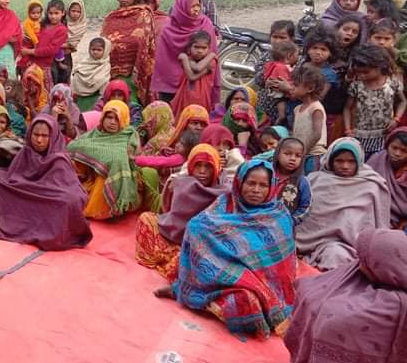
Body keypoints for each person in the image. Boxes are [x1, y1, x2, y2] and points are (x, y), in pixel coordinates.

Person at [164, 159, 295, 338]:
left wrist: (251, 281)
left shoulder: (279, 215)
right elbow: (198, 225)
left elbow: (282, 269)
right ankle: (190, 292)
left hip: (258, 280)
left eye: (263, 185)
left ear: (271, 187)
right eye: (251, 183)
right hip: (219, 273)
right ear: (240, 182)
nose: (256, 190)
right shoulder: (226, 202)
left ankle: (204, 301)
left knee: (247, 303)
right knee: (194, 228)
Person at [285, 227, 407, 363]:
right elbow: (313, 288)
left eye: (365, 260)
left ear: (383, 267)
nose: (359, 263)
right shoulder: (357, 272)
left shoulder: (394, 308)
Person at [0, 114, 92, 250]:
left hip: (46, 197)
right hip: (24, 190)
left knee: (68, 202)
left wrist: (38, 192)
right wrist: (25, 188)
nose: (39, 140)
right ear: (30, 134)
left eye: (45, 136)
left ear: (53, 136)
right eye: (36, 135)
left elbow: (69, 189)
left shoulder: (59, 159)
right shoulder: (26, 151)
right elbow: (14, 176)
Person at [135, 144, 226, 281]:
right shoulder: (181, 184)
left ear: (216, 168)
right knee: (146, 219)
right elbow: (169, 212)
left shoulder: (224, 193)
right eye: (198, 165)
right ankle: (168, 256)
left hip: (198, 246)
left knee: (187, 263)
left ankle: (170, 258)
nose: (202, 171)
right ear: (191, 166)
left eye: (208, 166)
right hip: (172, 236)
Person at [296, 138, 389, 270]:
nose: (345, 166)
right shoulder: (314, 180)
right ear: (330, 161)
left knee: (335, 256)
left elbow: (376, 222)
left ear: (359, 161)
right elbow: (305, 217)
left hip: (351, 246)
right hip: (311, 242)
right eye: (339, 161)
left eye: (351, 161)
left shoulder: (371, 184)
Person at [68, 100, 144, 220]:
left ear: (124, 120)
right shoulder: (95, 133)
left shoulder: (129, 136)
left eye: (117, 119)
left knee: (106, 174)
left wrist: (106, 163)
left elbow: (122, 160)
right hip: (90, 176)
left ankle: (103, 209)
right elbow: (73, 146)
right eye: (109, 117)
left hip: (118, 181)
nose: (112, 122)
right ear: (103, 117)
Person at [152, 0, 218, 106]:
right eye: (192, 6)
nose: (196, 9)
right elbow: (163, 61)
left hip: (197, 87)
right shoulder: (168, 30)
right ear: (181, 8)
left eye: (198, 5)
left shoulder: (206, 25)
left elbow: (210, 56)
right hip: (170, 86)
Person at [100, 0, 155, 105]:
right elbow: (103, 42)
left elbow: (145, 42)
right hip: (111, 71)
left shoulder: (144, 14)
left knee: (132, 105)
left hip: (134, 71)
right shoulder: (111, 17)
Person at [344, 45, 405, 160]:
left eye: (365, 72)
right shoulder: (356, 86)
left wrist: (396, 119)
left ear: (379, 67)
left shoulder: (392, 83)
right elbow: (347, 108)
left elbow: (403, 102)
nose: (361, 75)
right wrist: (348, 130)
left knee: (379, 162)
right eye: (358, 72)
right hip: (359, 135)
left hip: (384, 135)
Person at [255, 20, 297, 122]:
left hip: (288, 105)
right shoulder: (265, 56)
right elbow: (257, 79)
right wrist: (267, 80)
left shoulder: (295, 57)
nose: (277, 41)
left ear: (292, 39)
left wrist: (288, 87)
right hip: (266, 104)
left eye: (282, 37)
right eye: (275, 37)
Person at [169, 30, 218, 115]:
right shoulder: (188, 58)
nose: (200, 51)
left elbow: (197, 69)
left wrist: (211, 55)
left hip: (202, 98)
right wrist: (186, 59)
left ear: (209, 48)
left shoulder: (211, 61)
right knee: (184, 117)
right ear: (189, 48)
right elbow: (192, 73)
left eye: (204, 48)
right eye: (196, 47)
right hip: (185, 97)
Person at [366, 127, 407, 228]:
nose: (397, 154)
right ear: (387, 145)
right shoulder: (377, 160)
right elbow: (364, 189)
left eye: (404, 150)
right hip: (374, 213)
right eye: (394, 148)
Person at [291, 65, 328, 172]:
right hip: (301, 154)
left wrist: (303, 150)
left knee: (311, 179)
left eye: (295, 85)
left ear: (310, 88)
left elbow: (317, 134)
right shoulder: (297, 109)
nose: (292, 88)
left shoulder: (316, 108)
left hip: (314, 155)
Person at [260, 41, 300, 126]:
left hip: (273, 91)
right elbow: (284, 80)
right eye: (297, 55)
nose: (298, 58)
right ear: (289, 56)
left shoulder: (272, 64)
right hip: (279, 93)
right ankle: (279, 120)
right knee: (282, 110)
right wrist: (292, 86)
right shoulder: (282, 67)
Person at [70, 37, 112, 112]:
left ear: (105, 51)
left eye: (99, 50)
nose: (95, 52)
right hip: (80, 99)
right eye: (93, 49)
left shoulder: (105, 66)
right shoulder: (85, 62)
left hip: (95, 100)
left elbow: (104, 82)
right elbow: (76, 73)